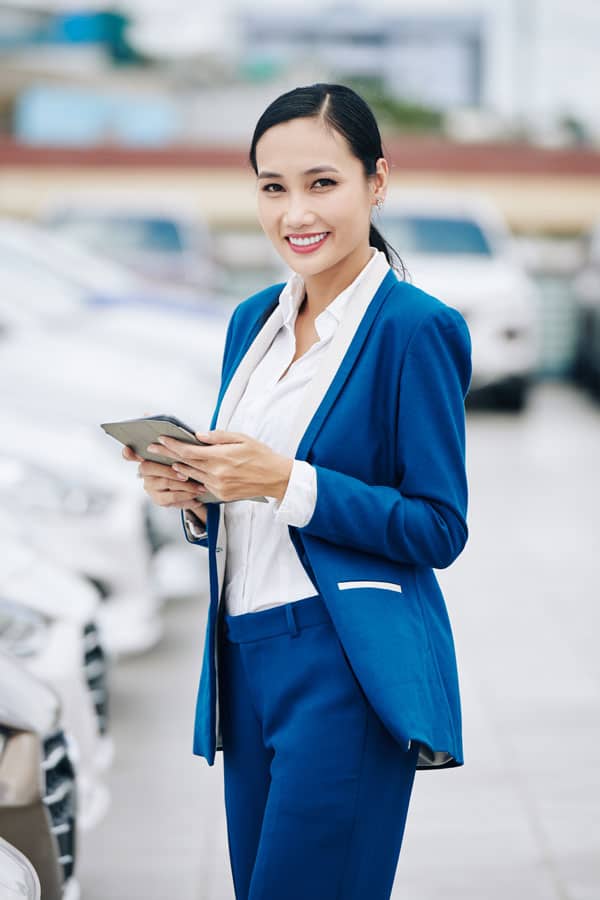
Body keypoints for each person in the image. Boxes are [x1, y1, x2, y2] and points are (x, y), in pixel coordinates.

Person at [123, 83, 472, 900]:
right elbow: (246, 500)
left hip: (342, 661)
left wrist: (287, 482)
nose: (295, 212)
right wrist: (194, 492)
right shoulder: (253, 321)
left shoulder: (413, 329)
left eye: (322, 183)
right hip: (243, 662)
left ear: (376, 182)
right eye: (272, 187)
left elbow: (439, 526)